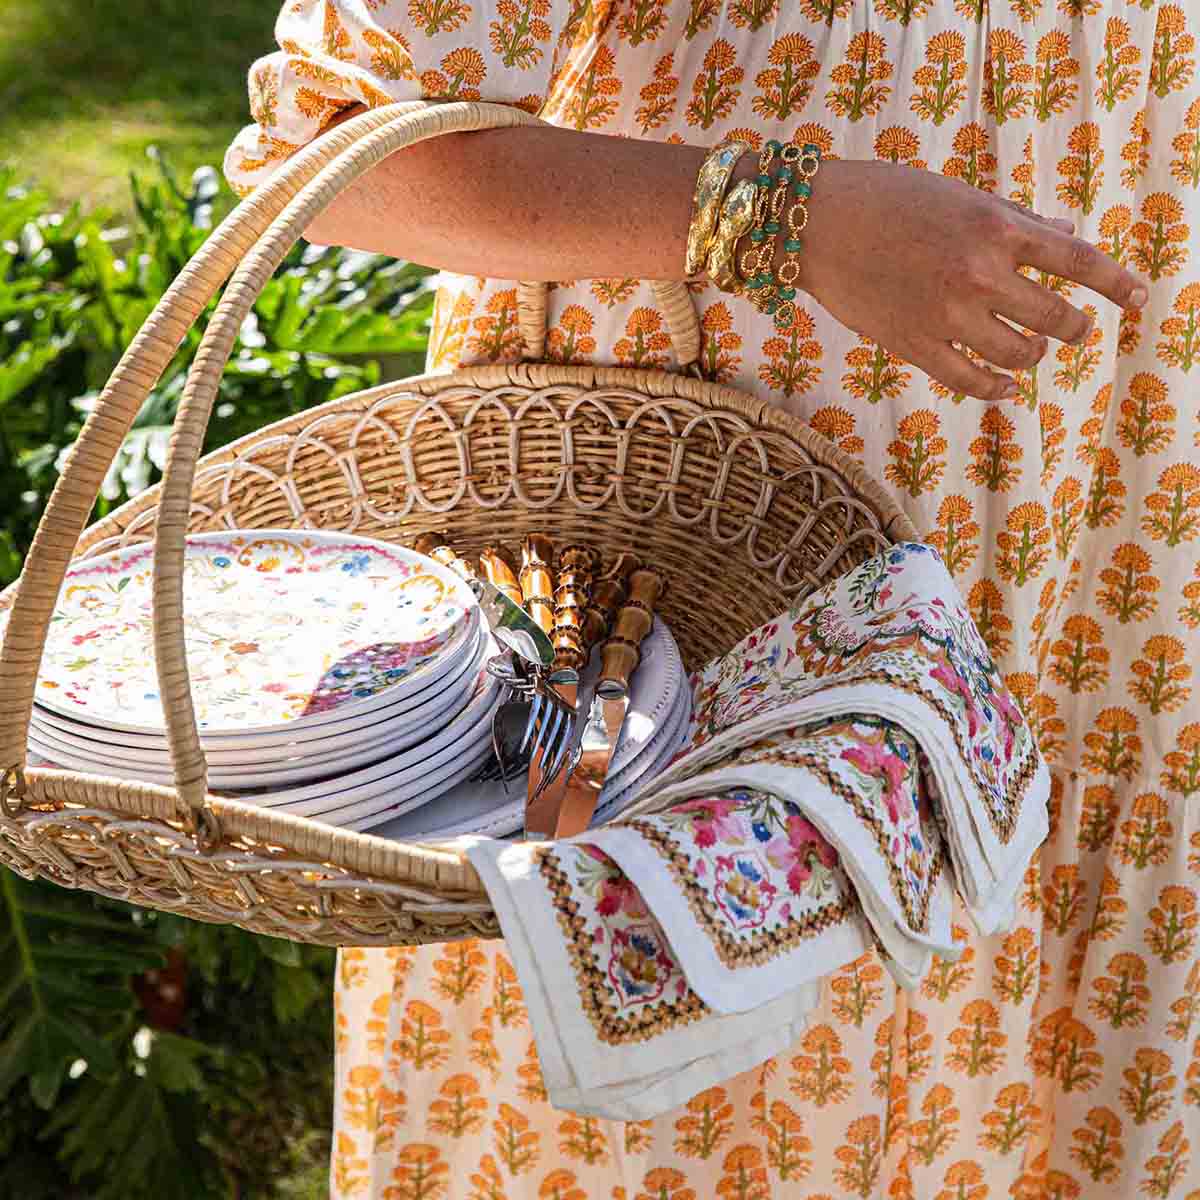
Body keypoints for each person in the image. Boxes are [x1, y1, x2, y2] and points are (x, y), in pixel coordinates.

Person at [226, 2, 1200, 1196]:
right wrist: (785, 214)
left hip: (1101, 522)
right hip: (718, 555)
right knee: (714, 1098)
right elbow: (336, 154)